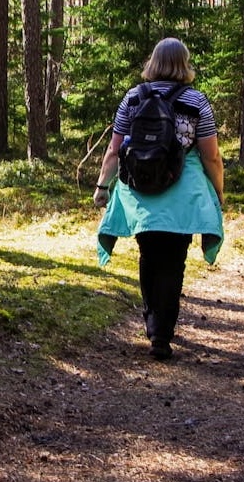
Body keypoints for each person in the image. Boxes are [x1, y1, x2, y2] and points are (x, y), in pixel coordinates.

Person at [93, 37, 225, 360]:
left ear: (153, 62)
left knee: (148, 256)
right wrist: (218, 193)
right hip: (183, 195)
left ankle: (153, 327)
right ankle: (162, 334)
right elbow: (211, 157)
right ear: (184, 64)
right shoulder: (197, 102)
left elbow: (115, 149)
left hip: (140, 191)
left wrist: (102, 186)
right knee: (173, 262)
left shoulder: (133, 98)